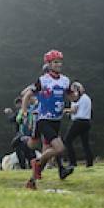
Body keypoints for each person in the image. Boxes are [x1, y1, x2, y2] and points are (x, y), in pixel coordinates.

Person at [20, 50, 74, 190]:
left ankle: (31, 181)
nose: (58, 65)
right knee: (59, 148)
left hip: (57, 120)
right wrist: (24, 111)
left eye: (60, 62)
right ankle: (37, 161)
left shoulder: (65, 80)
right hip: (44, 120)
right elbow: (26, 96)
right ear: (49, 64)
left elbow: (71, 96)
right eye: (55, 62)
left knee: (48, 154)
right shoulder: (43, 80)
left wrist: (75, 96)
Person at [63, 81, 94, 168]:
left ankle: (72, 162)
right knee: (85, 143)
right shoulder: (87, 98)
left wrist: (65, 110)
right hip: (87, 121)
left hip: (78, 122)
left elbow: (74, 110)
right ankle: (89, 162)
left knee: (67, 140)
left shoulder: (78, 98)